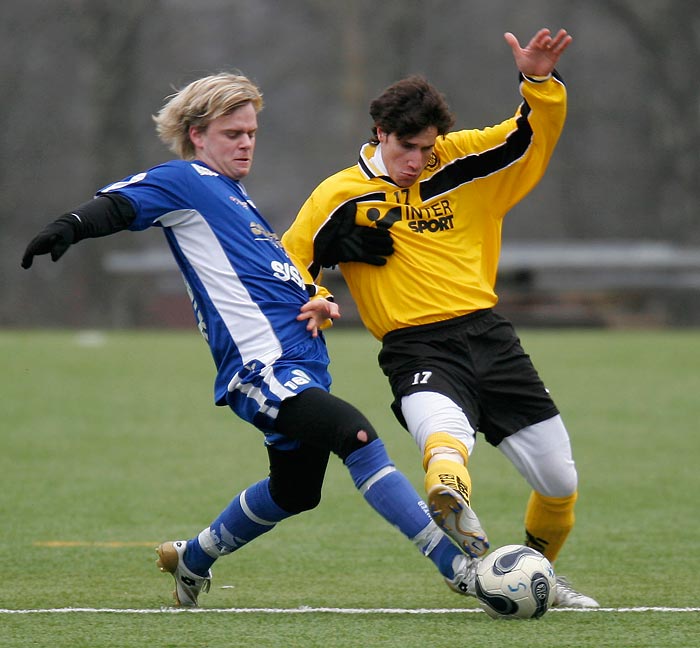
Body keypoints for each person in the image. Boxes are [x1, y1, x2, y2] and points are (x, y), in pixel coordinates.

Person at [20, 72, 483, 607]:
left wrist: (316, 298)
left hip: (302, 363)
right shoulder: (186, 180)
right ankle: (458, 569)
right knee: (355, 434)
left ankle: (192, 557)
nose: (245, 144)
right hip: (261, 370)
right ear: (197, 134)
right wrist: (70, 224)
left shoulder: (236, 198)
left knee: (296, 492)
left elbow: (271, 277)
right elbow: (122, 206)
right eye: (232, 133)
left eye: (252, 133)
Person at [282, 29, 599, 607]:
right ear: (381, 133)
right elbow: (291, 256)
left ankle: (535, 580)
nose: (418, 160)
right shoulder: (340, 194)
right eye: (407, 147)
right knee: (445, 437)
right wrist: (317, 291)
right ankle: (450, 500)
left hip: (490, 336)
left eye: (428, 147)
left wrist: (539, 83)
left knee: (560, 481)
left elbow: (532, 135)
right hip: (415, 347)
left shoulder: (465, 161)